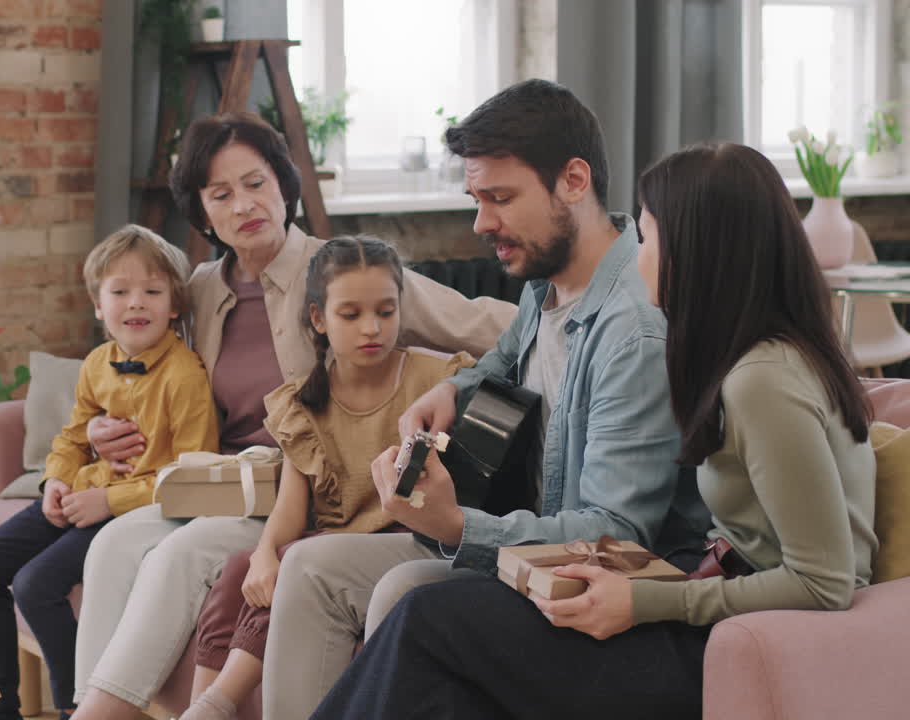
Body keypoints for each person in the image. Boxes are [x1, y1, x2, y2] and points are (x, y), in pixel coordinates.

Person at [309, 141, 878, 720]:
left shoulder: (763, 382)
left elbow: (823, 582)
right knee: (443, 640)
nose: (637, 258)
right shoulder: (748, 357)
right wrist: (452, 391)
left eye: (650, 238)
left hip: (730, 641)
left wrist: (645, 601)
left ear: (700, 254)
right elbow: (505, 353)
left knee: (429, 617)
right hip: (711, 610)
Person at [257, 78, 711, 719]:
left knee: (404, 593)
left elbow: (617, 534)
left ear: (574, 181)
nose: (481, 223)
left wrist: (457, 527)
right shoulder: (547, 281)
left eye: (500, 197)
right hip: (526, 531)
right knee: (309, 570)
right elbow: (503, 359)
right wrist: (452, 387)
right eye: (476, 197)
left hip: (594, 577)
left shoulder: (633, 332)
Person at [70, 112, 518, 720]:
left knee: (182, 553)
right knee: (114, 544)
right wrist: (99, 426)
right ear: (202, 214)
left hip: (295, 491)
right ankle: (85, 709)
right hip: (214, 483)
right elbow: (133, 362)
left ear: (285, 186)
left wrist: (564, 313)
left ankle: (108, 712)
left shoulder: (339, 272)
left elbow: (477, 324)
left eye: (256, 183)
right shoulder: (201, 289)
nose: (244, 205)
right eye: (221, 194)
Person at [177, 236, 474, 720]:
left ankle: (217, 704)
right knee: (239, 569)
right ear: (319, 319)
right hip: (334, 546)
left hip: (410, 540)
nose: (372, 328)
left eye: (385, 310)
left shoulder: (435, 380)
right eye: (351, 315)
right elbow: (291, 507)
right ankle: (202, 705)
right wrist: (263, 554)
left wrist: (281, 556)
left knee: (299, 559)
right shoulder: (306, 401)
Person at [0, 224, 220, 720]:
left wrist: (108, 502)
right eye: (120, 292)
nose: (136, 303)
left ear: (174, 306)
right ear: (99, 306)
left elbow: (192, 476)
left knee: (38, 585)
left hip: (134, 512)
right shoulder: (97, 363)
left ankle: (76, 709)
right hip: (79, 495)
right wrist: (55, 480)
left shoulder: (185, 376)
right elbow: (73, 438)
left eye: (152, 291)